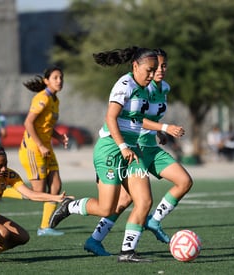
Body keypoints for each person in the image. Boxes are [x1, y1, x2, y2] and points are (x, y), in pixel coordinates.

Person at [48, 47, 184, 262]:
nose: (152, 75)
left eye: (154, 70)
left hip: (132, 151)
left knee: (144, 201)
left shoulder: (145, 88)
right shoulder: (125, 85)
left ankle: (127, 252)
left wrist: (158, 132)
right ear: (135, 66)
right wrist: (123, 146)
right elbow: (111, 118)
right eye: (149, 70)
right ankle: (70, 205)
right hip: (111, 148)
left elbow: (137, 119)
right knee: (106, 208)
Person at [82, 49, 192, 257]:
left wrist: (159, 131)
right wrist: (163, 127)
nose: (159, 71)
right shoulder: (138, 85)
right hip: (134, 147)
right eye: (155, 67)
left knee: (173, 186)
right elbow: (133, 119)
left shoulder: (163, 88)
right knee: (120, 202)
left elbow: (140, 116)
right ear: (140, 67)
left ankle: (132, 239)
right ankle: (91, 233)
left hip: (145, 147)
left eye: (163, 66)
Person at [17, 66, 69, 236]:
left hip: (46, 148)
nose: (59, 80)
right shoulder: (42, 98)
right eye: (55, 77)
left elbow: (46, 126)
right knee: (37, 193)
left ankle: (45, 227)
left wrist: (59, 137)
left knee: (55, 186)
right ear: (46, 81)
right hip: (33, 149)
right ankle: (4, 189)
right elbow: (28, 123)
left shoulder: (55, 100)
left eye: (61, 77)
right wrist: (40, 145)